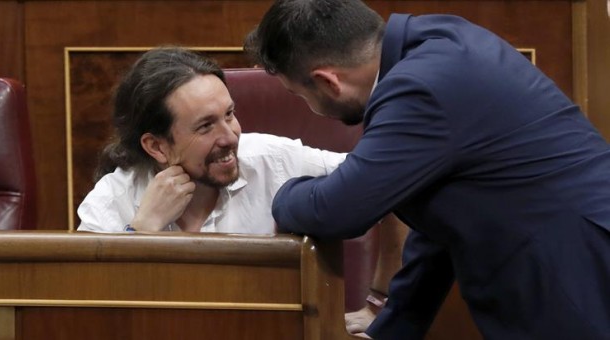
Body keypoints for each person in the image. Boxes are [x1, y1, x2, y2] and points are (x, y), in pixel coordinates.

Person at [245, 1, 610, 339]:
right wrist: (393, 327)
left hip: (576, 279)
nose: (309, 107)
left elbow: (336, 210)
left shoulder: (419, 88)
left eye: (299, 95)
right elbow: (436, 217)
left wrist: (281, 193)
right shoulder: (438, 41)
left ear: (328, 81)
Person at [77, 46, 346, 234]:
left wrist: (376, 295)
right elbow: (86, 304)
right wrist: (144, 228)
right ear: (157, 146)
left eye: (229, 114)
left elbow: (381, 176)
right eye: (205, 126)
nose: (230, 137)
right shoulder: (114, 197)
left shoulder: (273, 161)